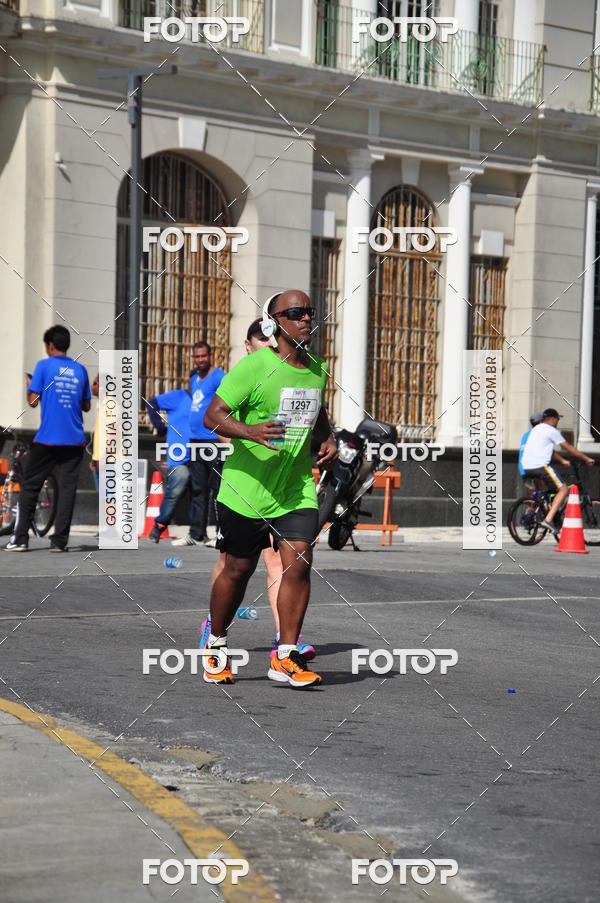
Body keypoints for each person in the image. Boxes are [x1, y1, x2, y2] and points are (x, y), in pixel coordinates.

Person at [200, 290, 337, 688]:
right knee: (238, 570)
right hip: (247, 489)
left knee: (298, 560)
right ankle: (216, 642)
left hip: (294, 488)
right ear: (274, 322)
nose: (306, 319)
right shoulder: (253, 367)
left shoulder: (316, 368)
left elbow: (317, 409)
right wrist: (250, 431)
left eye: (310, 312)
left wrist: (328, 438)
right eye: (295, 313)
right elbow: (214, 415)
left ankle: (285, 656)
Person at [4, 325, 91, 552]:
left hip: (48, 439)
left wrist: (29, 385)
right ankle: (59, 542)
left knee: (30, 486)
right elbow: (86, 405)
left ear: (50, 345)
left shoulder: (44, 366)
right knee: (68, 489)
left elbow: (33, 401)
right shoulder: (81, 370)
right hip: (75, 440)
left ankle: (21, 539)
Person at [172, 342, 225, 547]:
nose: (200, 360)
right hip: (195, 440)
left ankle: (220, 534)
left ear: (210, 355)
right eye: (197, 357)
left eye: (204, 356)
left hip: (213, 440)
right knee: (197, 489)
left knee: (218, 489)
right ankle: (196, 533)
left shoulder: (219, 376)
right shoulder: (194, 379)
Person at [521, 408, 595, 533]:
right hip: (541, 466)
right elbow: (568, 448)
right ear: (553, 419)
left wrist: (562, 461)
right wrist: (586, 458)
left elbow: (550, 451)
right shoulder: (551, 430)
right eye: (558, 419)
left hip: (526, 467)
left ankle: (547, 513)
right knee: (564, 489)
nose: (558, 422)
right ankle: (548, 520)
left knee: (552, 490)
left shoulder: (536, 429)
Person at [145, 384, 193, 542]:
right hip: (178, 454)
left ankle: (198, 532)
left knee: (200, 492)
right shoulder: (178, 396)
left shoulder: (207, 399)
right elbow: (151, 403)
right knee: (176, 488)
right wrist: (160, 427)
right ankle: (159, 525)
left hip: (201, 453)